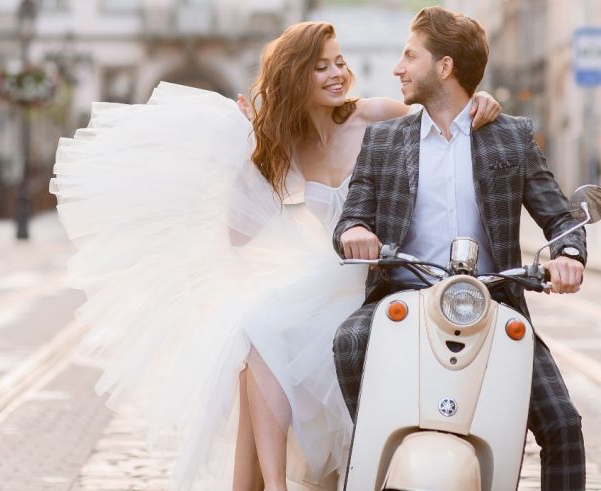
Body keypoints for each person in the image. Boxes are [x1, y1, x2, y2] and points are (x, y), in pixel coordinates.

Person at [50, 20, 501, 490]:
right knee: (255, 334)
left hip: (383, 273)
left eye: (340, 62)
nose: (336, 73)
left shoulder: (374, 115)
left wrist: (481, 104)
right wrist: (245, 150)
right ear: (294, 77)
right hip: (327, 274)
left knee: (262, 332)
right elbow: (237, 234)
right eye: (320, 66)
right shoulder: (286, 143)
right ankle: (273, 483)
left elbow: (443, 122)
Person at [333, 7, 588, 491]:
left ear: (444, 67)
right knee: (349, 341)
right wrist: (354, 233)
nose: (398, 68)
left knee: (563, 425)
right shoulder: (385, 140)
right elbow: (353, 216)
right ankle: (374, 458)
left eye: (410, 56)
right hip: (403, 301)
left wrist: (568, 257)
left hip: (493, 302)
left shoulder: (509, 136)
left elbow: (561, 218)